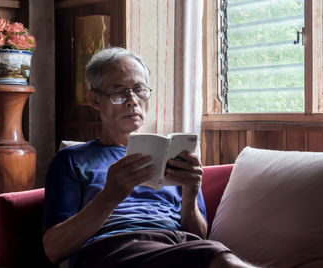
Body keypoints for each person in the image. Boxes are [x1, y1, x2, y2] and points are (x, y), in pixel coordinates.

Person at [42, 47, 257, 268]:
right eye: (119, 93)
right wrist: (110, 195)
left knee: (216, 254)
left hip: (178, 245)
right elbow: (53, 249)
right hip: (115, 247)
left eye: (139, 90)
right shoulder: (72, 159)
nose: (132, 101)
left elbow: (199, 236)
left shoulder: (170, 154)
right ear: (95, 100)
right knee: (221, 259)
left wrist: (191, 193)